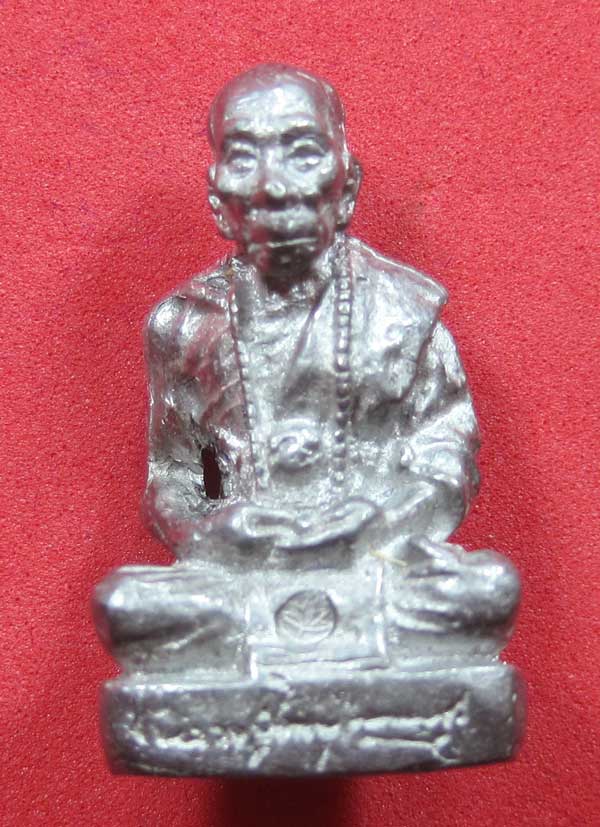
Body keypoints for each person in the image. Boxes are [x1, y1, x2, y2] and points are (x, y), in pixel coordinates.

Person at [95, 65, 519, 674]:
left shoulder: (404, 310)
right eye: (245, 158)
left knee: (487, 591)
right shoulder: (184, 323)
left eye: (302, 153)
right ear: (217, 198)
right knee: (124, 605)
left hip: (377, 566)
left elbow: (446, 458)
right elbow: (179, 476)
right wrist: (216, 528)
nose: (273, 187)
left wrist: (380, 520)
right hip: (243, 574)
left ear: (347, 183)